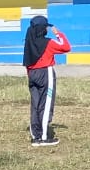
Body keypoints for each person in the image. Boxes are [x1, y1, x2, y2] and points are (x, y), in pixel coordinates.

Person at [22, 14, 70, 147]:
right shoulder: (48, 42)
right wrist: (58, 33)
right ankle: (43, 137)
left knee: (35, 104)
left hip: (32, 73)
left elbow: (27, 61)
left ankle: (35, 135)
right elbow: (66, 47)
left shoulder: (29, 43)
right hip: (45, 73)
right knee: (46, 104)